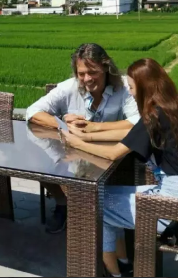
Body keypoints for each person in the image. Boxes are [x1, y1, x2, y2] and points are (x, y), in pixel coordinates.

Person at [62, 58, 178, 277]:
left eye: (131, 87)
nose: (129, 92)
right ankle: (123, 262)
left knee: (94, 202)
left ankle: (114, 273)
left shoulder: (155, 114)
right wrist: (88, 134)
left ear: (144, 87)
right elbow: (131, 134)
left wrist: (76, 143)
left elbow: (113, 152)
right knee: (105, 195)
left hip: (172, 205)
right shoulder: (172, 108)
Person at [26, 43, 140, 234]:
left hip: (109, 157)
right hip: (73, 154)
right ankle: (63, 203)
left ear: (105, 67)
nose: (87, 79)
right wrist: (63, 123)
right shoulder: (69, 88)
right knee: (38, 162)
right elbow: (33, 112)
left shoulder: (123, 88)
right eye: (81, 73)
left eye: (92, 72)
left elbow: (137, 122)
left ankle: (95, 216)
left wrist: (93, 128)